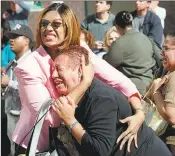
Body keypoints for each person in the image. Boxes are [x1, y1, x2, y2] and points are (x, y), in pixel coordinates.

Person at [12, 3, 145, 155]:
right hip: (37, 147)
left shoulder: (78, 50)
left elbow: (117, 79)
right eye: (44, 23)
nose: (48, 28)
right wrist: (85, 83)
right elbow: (52, 118)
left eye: (56, 24)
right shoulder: (28, 67)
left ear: (68, 27)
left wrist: (139, 113)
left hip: (70, 144)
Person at [49, 45, 171, 156]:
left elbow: (99, 151)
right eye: (52, 70)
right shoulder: (81, 95)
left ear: (80, 70)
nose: (53, 75)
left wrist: (71, 121)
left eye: (59, 69)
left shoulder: (101, 99)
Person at [103, 11, 157, 95]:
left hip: (132, 89)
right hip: (151, 86)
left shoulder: (119, 43)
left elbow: (107, 65)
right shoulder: (146, 38)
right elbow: (160, 58)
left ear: (117, 27)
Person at [2, 24, 34, 156]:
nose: (11, 40)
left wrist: (9, 83)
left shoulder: (31, 62)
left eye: (15, 37)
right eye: (10, 37)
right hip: (10, 112)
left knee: (21, 152)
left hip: (23, 118)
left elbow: (31, 90)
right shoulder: (13, 61)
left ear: (26, 40)